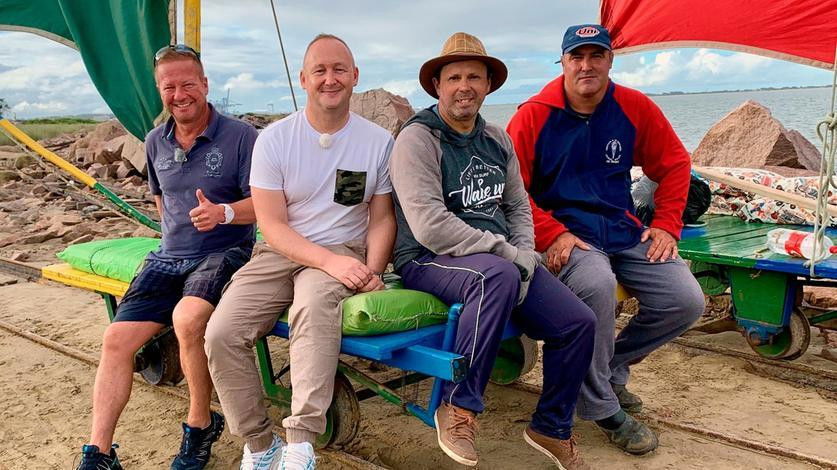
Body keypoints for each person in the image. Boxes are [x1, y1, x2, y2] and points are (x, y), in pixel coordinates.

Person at [390, 32, 596, 469]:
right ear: (437, 86)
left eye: (474, 77)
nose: (464, 86)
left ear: (488, 85)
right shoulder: (419, 139)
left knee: (578, 323)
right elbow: (430, 225)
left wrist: (525, 253)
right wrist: (508, 255)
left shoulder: (497, 139)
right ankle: (457, 406)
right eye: (454, 78)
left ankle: (551, 426)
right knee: (495, 275)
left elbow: (518, 206)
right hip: (428, 257)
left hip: (498, 260)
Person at [506, 24, 706, 455]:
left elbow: (675, 162)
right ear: (562, 62)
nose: (586, 65)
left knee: (685, 300)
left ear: (610, 61)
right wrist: (551, 233)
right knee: (596, 284)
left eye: (596, 55)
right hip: (564, 234)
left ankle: (608, 368)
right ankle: (600, 406)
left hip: (621, 227)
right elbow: (512, 191)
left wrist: (667, 223)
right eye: (577, 57)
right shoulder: (533, 114)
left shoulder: (633, 106)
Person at [204, 34, 395, 470]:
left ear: (355, 76)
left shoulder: (377, 142)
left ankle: (301, 444)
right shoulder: (274, 140)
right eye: (320, 71)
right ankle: (259, 445)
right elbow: (271, 224)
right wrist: (328, 261)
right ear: (303, 79)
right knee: (221, 332)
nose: (330, 79)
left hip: (343, 247)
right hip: (281, 250)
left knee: (311, 309)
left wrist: (372, 269)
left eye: (339, 69)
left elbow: (382, 218)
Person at [76, 44, 258, 470]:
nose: (179, 95)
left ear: (205, 84)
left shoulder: (242, 136)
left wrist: (223, 213)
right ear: (160, 90)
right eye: (169, 87)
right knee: (115, 340)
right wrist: (176, 236)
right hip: (167, 256)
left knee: (187, 319)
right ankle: (99, 453)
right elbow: (163, 201)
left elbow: (268, 204)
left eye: (188, 84)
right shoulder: (155, 140)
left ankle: (200, 424)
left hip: (224, 251)